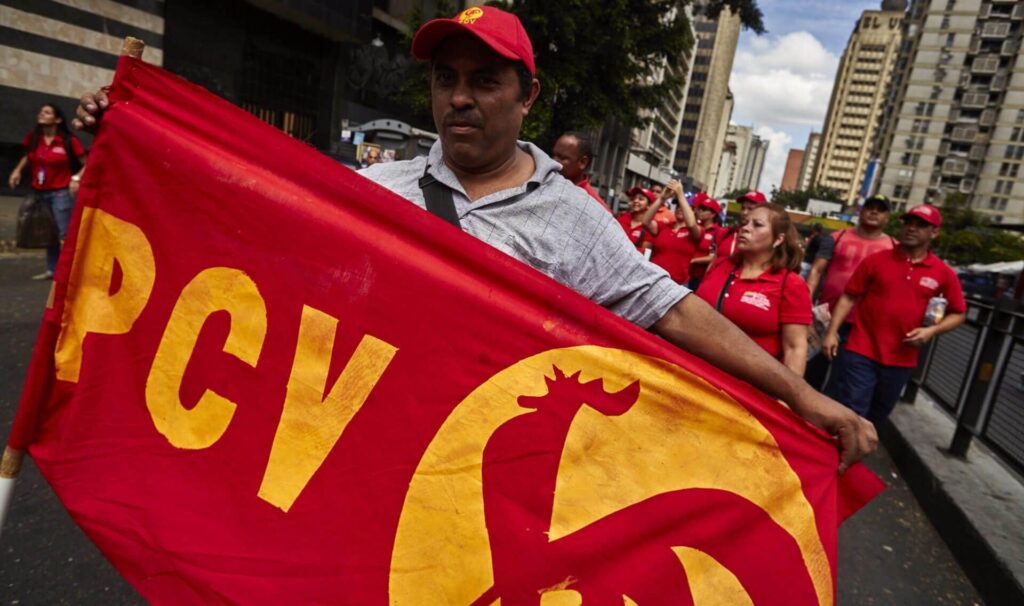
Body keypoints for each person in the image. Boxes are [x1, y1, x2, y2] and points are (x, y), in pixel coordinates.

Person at [75, 5, 875, 470]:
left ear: (526, 97)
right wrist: (129, 141)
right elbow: (248, 224)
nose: (460, 99)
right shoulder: (376, 187)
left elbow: (672, 310)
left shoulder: (575, 219)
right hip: (339, 450)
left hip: (459, 468)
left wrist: (802, 395)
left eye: (484, 81)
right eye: (445, 79)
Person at [822, 204, 966, 425]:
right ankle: (838, 456)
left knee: (877, 417)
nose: (911, 228)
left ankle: (855, 455)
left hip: (902, 358)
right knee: (853, 411)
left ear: (934, 233)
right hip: (861, 350)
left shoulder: (943, 273)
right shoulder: (876, 261)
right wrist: (832, 333)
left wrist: (932, 331)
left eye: (920, 225)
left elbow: (958, 313)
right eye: (908, 223)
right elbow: (849, 297)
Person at [696, 203, 812, 375]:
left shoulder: (791, 284)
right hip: (695, 373)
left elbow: (795, 348)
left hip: (747, 388)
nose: (745, 229)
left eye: (757, 225)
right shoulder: (720, 265)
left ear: (778, 239)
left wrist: (786, 400)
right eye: (745, 223)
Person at [803, 195, 895, 391]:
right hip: (824, 319)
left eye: (880, 209)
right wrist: (805, 306)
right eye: (870, 207)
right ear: (861, 211)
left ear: (887, 217)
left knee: (844, 382)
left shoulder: (894, 248)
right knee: (809, 374)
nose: (874, 212)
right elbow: (816, 270)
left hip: (862, 327)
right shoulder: (837, 238)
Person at [8, 103, 87, 280]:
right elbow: (28, 156)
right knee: (48, 232)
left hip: (61, 193)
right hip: (39, 192)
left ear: (57, 119)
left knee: (64, 233)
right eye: (41, 111)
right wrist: (17, 170)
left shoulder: (68, 141)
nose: (41, 114)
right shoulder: (35, 138)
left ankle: (69, 272)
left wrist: (76, 179)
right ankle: (52, 270)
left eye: (47, 112)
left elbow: (87, 163)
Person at [641, 180, 701, 285]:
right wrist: (661, 198)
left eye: (683, 206)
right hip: (654, 280)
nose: (680, 209)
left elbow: (691, 224)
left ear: (693, 211)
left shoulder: (696, 230)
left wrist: (681, 194)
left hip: (677, 285)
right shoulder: (665, 226)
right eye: (678, 206)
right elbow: (646, 221)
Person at [551, 132, 610, 211]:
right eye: (553, 155)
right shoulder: (540, 183)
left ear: (583, 162)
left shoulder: (597, 208)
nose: (554, 161)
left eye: (562, 158)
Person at [714, 190, 767, 266]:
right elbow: (714, 260)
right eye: (742, 208)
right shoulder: (728, 232)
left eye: (750, 209)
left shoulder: (764, 240)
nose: (745, 212)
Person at [688, 193, 722, 290]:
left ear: (713, 214)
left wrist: (693, 261)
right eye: (700, 208)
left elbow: (714, 257)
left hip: (699, 278)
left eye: (704, 209)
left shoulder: (718, 233)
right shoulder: (695, 228)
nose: (700, 212)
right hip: (685, 274)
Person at [617, 186, 656, 252]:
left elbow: (644, 253)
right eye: (633, 198)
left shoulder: (650, 227)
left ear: (649, 206)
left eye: (640, 199)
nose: (635, 201)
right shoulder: (623, 217)